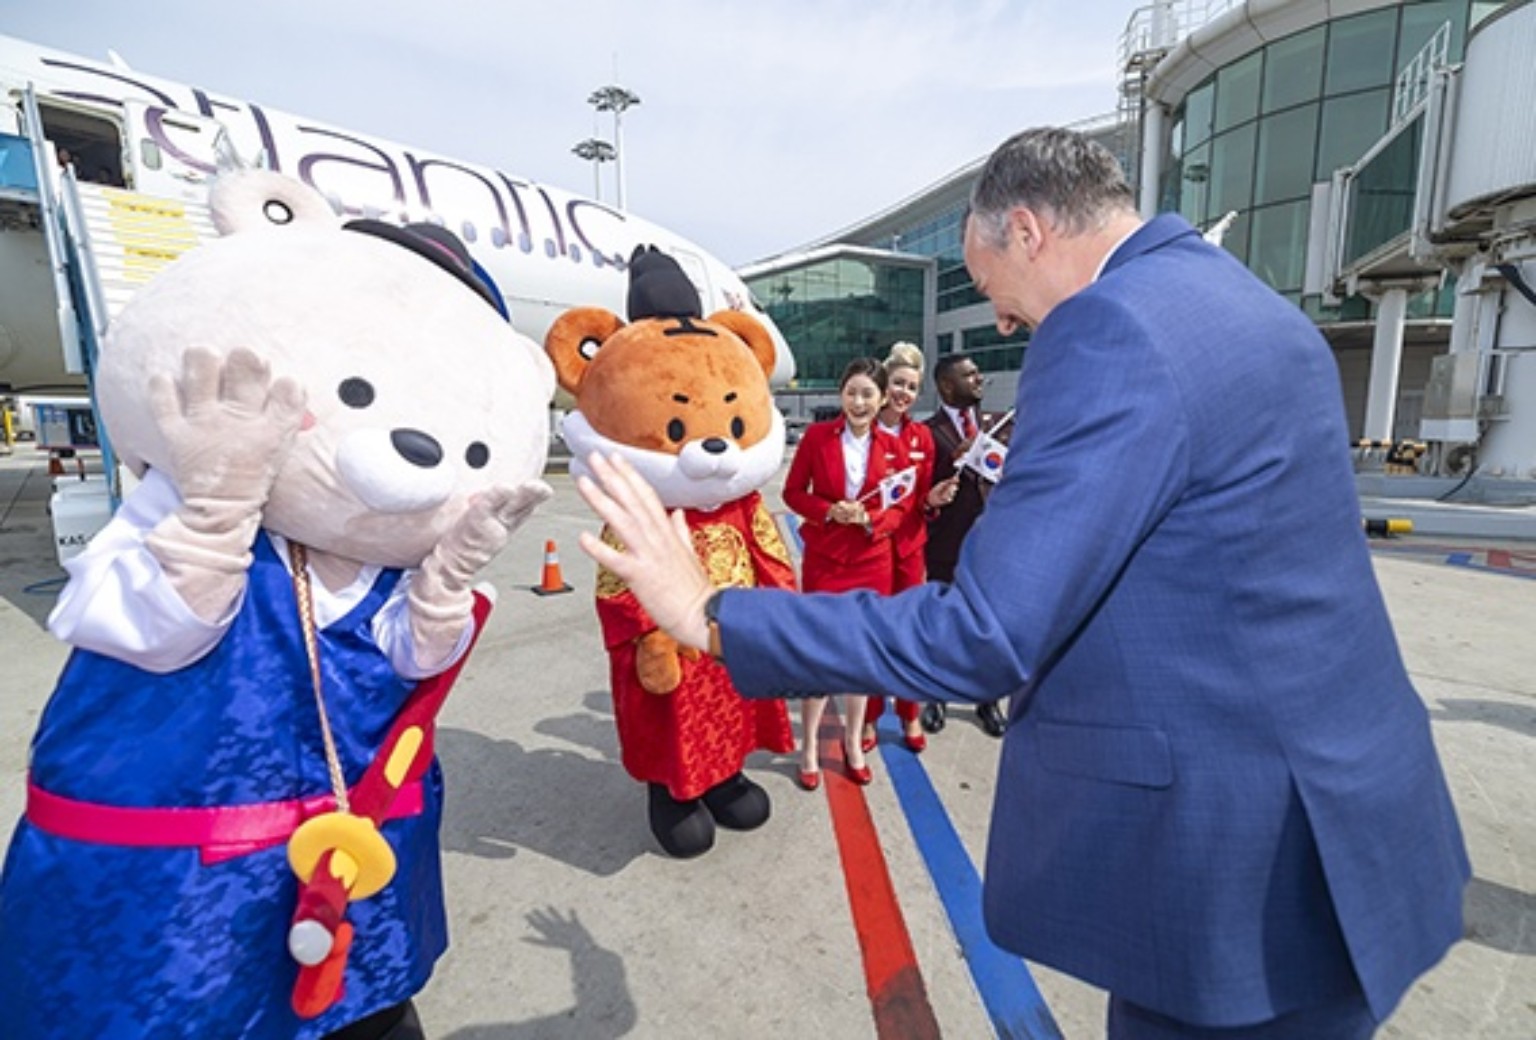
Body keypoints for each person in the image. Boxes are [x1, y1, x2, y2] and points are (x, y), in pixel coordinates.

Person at [575, 126, 1469, 1039]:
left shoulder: (1112, 327)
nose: (1002, 322)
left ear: (1030, 231)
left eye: (994, 288)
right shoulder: (1249, 304)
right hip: (1349, 818)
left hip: (1238, 871)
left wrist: (709, 611)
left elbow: (983, 633)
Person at [780, 357, 908, 788]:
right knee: (818, 658)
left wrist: (871, 520)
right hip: (827, 561)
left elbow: (902, 506)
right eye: (851, 392)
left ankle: (853, 742)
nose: (858, 402)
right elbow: (793, 493)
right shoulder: (817, 438)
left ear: (882, 398)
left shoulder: (893, 447)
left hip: (872, 563)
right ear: (841, 395)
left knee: (860, 659)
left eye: (868, 394)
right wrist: (828, 510)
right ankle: (809, 747)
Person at [861, 341, 954, 753]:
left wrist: (932, 500)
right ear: (884, 383)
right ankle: (867, 716)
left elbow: (918, 500)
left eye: (912, 387)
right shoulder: (861, 433)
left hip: (909, 547)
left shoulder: (923, 437)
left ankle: (909, 713)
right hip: (871, 547)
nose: (903, 393)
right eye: (897, 383)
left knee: (909, 635)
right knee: (873, 634)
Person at [921, 352, 1011, 738]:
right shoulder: (927, 431)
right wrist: (948, 468)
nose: (979, 379)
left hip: (994, 544)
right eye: (970, 375)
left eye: (978, 373)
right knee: (942, 623)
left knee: (988, 626)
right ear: (946, 385)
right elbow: (919, 490)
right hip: (946, 545)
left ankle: (987, 699)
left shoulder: (1000, 425)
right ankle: (936, 694)